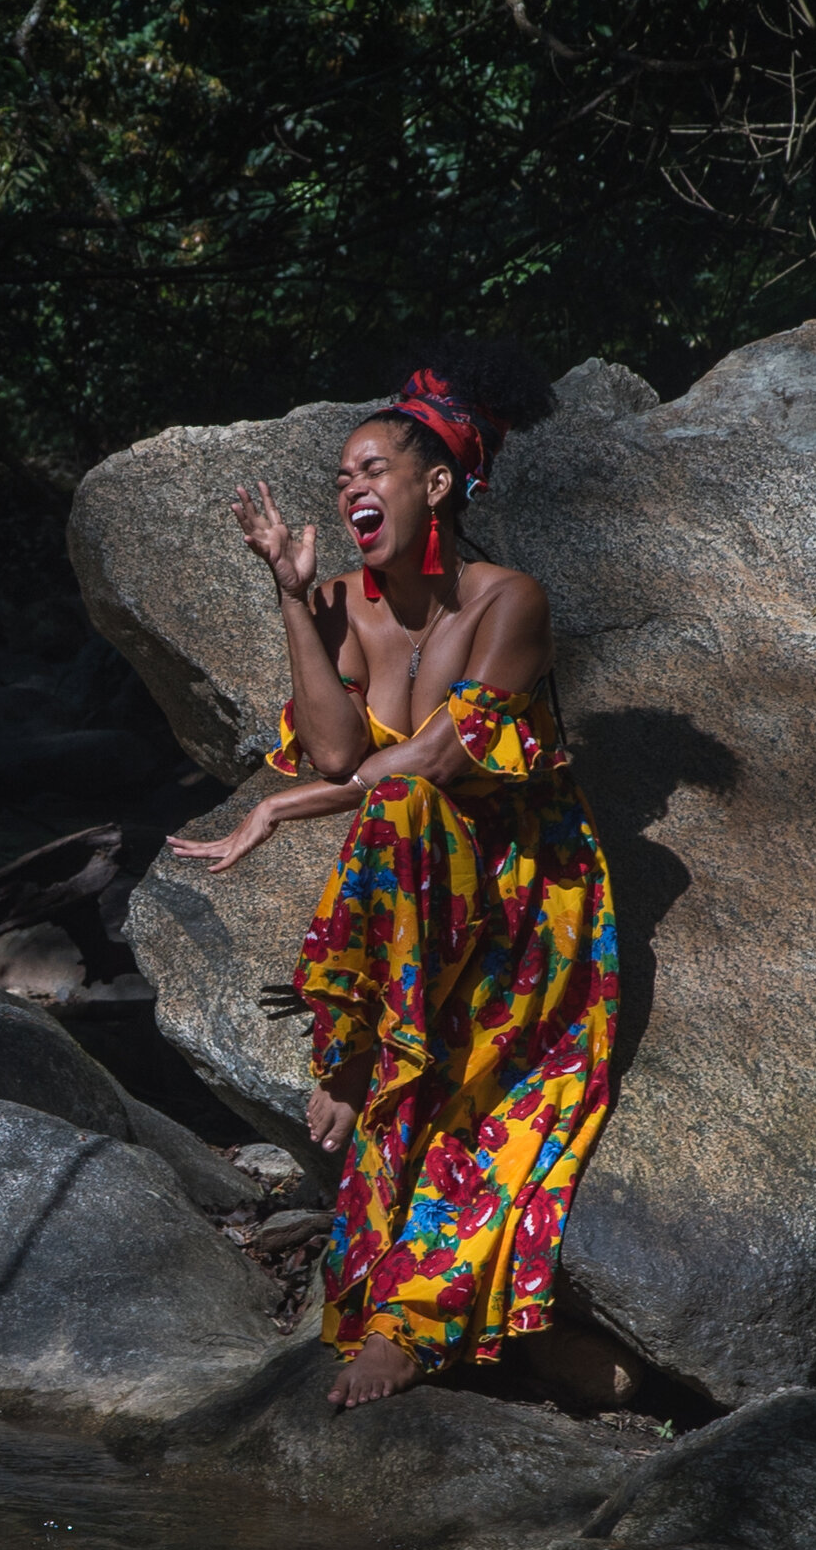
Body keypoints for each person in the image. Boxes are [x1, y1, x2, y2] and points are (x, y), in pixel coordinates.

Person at [165, 342, 618, 1409]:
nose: (350, 487)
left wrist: (277, 806)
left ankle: (355, 1074)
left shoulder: (511, 603)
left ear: (437, 485)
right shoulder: (348, 604)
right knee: (393, 817)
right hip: (417, 911)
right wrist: (289, 597)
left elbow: (435, 762)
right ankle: (363, 1074)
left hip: (521, 902)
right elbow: (334, 754)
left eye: (371, 470)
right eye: (341, 477)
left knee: (405, 805)